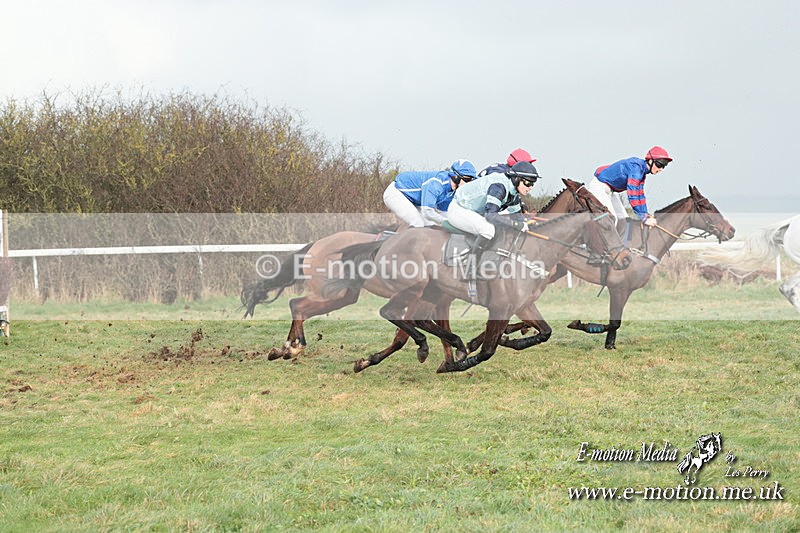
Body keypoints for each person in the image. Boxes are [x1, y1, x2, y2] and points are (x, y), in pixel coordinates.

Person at [446, 161, 541, 276]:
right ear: (516, 179)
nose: (530, 187)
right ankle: (471, 268)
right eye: (527, 183)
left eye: (533, 184)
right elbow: (491, 216)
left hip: (471, 211)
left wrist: (529, 224)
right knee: (488, 229)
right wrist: (518, 225)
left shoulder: (513, 192)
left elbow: (518, 217)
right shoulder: (499, 187)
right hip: (458, 209)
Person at [585, 146, 672, 227]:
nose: (660, 169)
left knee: (624, 219)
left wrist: (646, 214)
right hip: (599, 187)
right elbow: (633, 195)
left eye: (663, 166)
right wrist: (644, 218)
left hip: (610, 190)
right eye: (659, 165)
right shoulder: (636, 169)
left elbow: (640, 196)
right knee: (612, 219)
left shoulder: (642, 173)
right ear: (650, 161)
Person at [383, 159, 477, 227]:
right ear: (456, 177)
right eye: (467, 180)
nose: (469, 184)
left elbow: (442, 212)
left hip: (412, 200)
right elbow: (427, 212)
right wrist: (446, 221)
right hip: (395, 193)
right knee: (418, 223)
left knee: (431, 225)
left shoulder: (452, 192)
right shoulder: (437, 184)